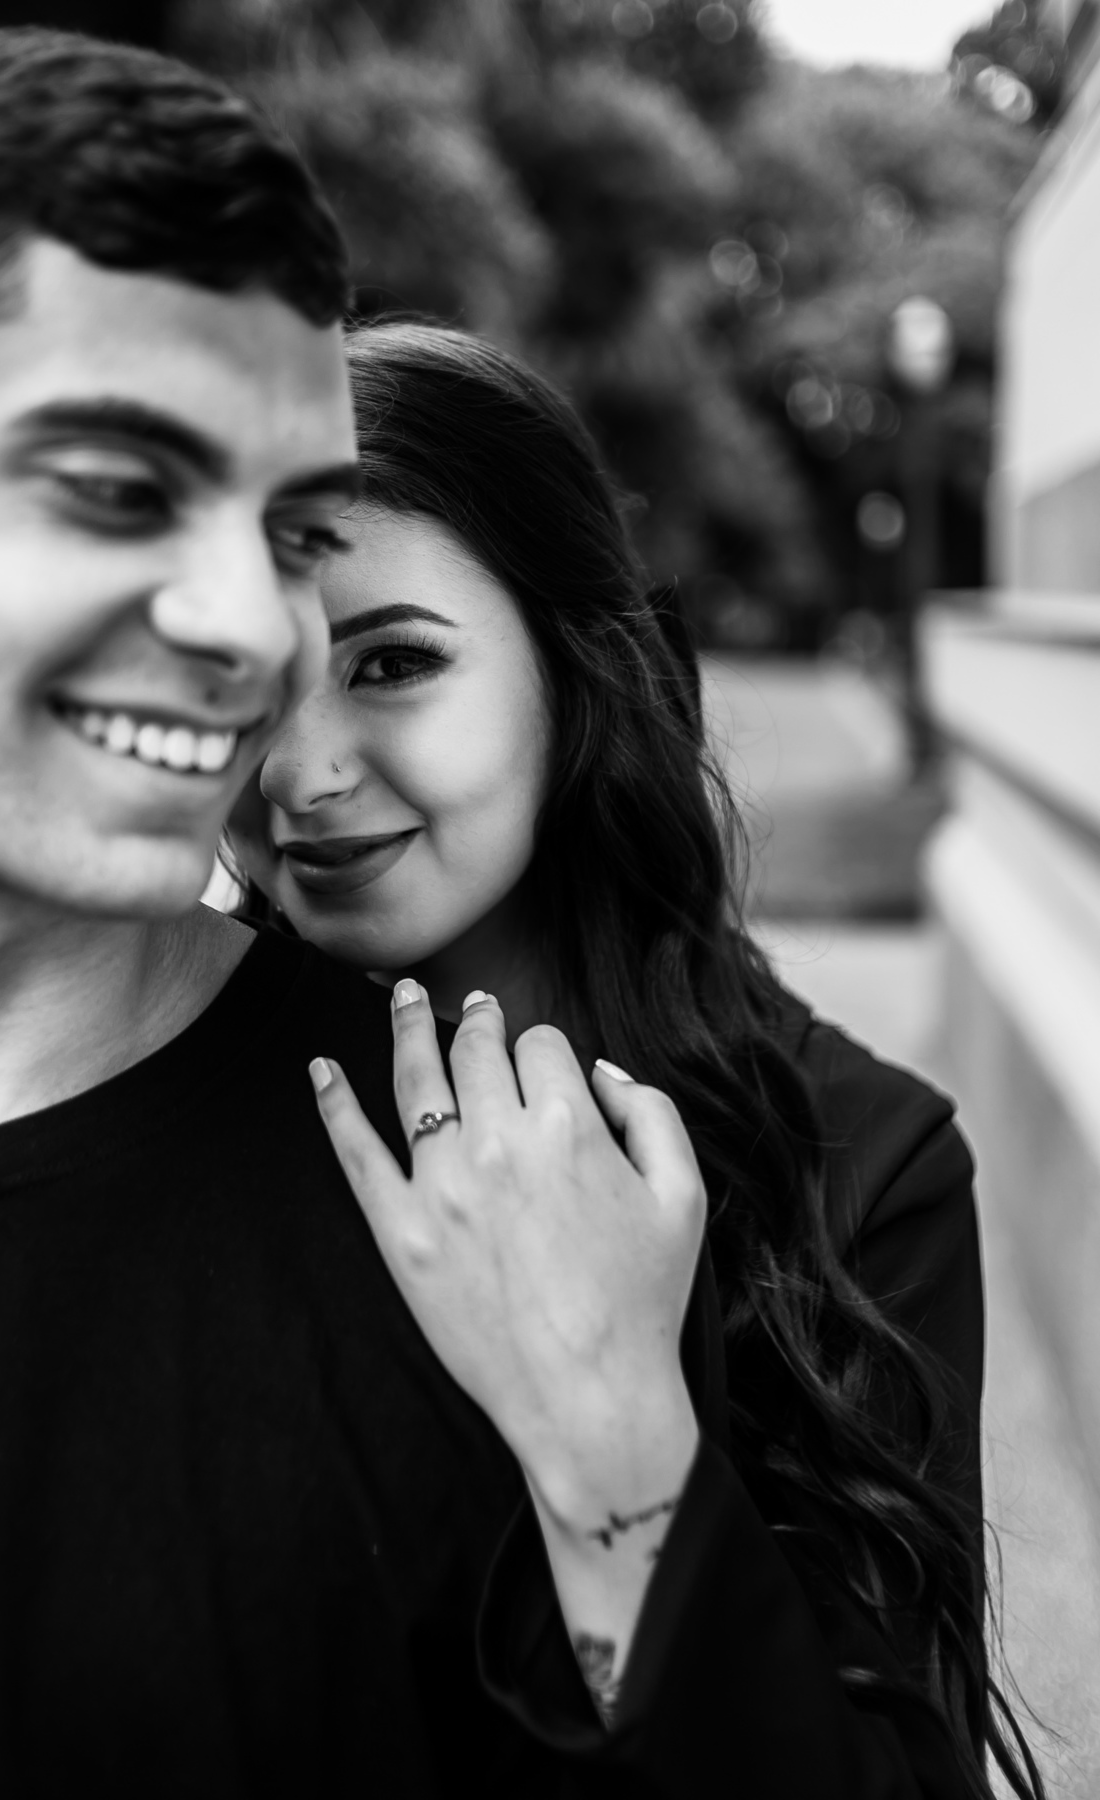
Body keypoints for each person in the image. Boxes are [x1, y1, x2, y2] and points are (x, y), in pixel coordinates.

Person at [0, 28, 710, 1796]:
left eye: (289, 530)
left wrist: (618, 1454)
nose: (256, 637)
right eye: (120, 490)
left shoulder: (481, 1212)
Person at [228, 321, 1046, 1800]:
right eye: (243, 683)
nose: (299, 770)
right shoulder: (162, 1102)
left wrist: (611, 1431)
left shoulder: (861, 1162)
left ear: (575, 665)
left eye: (393, 663)